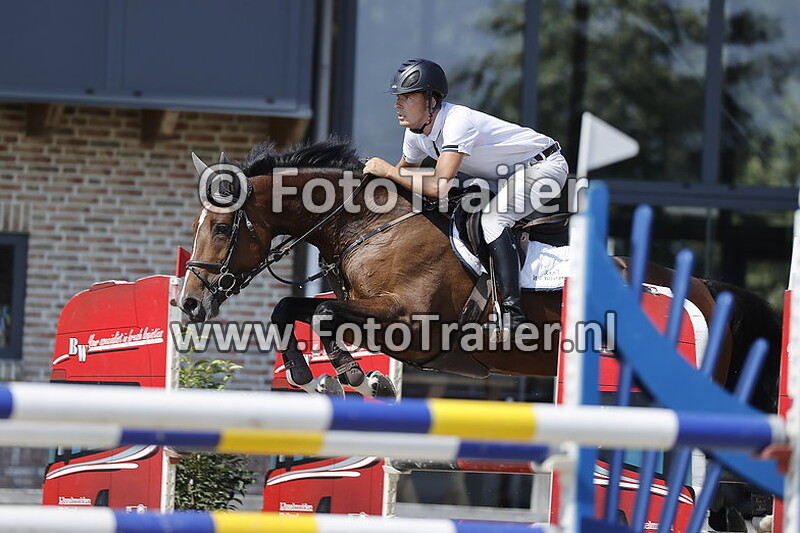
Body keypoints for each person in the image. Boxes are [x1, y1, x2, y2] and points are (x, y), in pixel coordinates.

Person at [363, 58, 569, 334]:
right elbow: (402, 180)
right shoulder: (415, 135)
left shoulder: (457, 122)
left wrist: (387, 170)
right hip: (502, 178)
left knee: (494, 221)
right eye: (398, 98)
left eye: (406, 98)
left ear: (430, 101)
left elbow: (438, 186)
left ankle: (512, 313)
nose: (397, 105)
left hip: (544, 167)